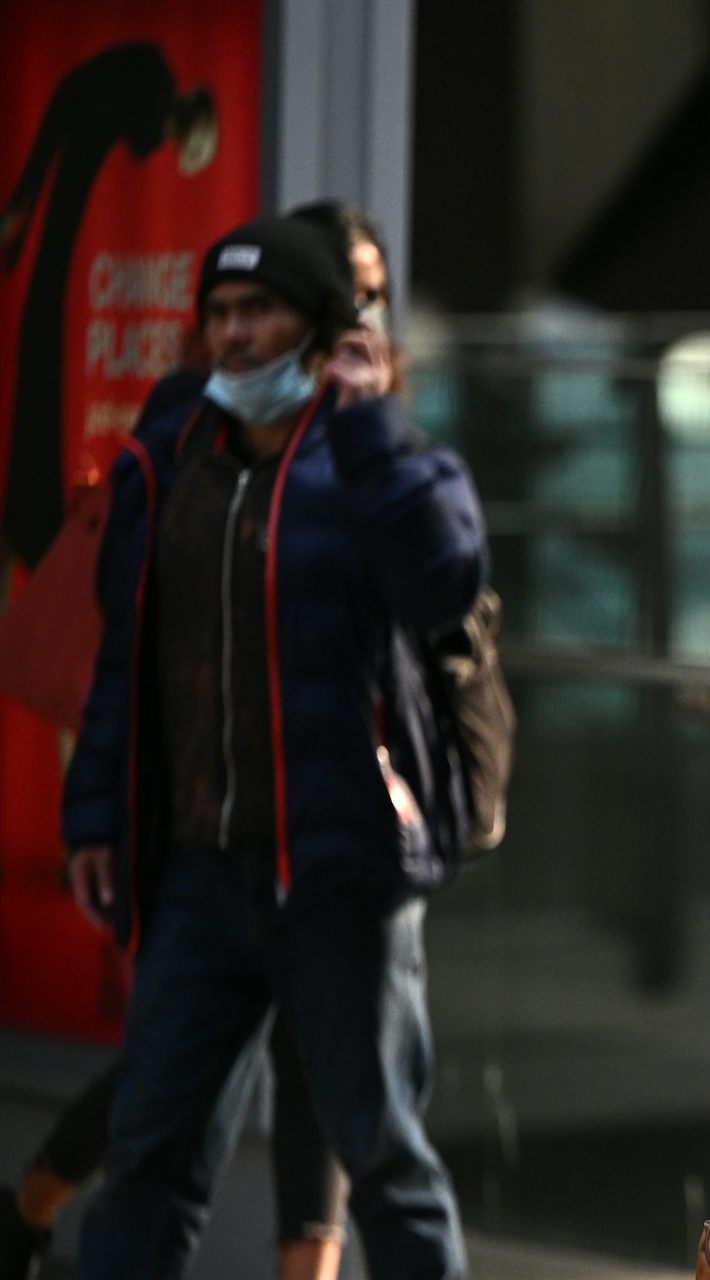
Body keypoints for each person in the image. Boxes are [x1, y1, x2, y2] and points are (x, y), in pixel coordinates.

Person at [59, 212, 480, 1279]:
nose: (235, 336)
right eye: (220, 314)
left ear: (319, 330)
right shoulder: (172, 459)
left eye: (262, 312)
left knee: (384, 1155)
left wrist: (372, 418)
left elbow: (445, 583)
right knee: (148, 1153)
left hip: (339, 876)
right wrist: (97, 815)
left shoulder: (376, 455)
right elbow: (127, 660)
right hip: (199, 875)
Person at [0, 43, 217, 567]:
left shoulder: (132, 95)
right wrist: (24, 200)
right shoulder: (128, 94)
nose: (157, 153)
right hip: (51, 254)